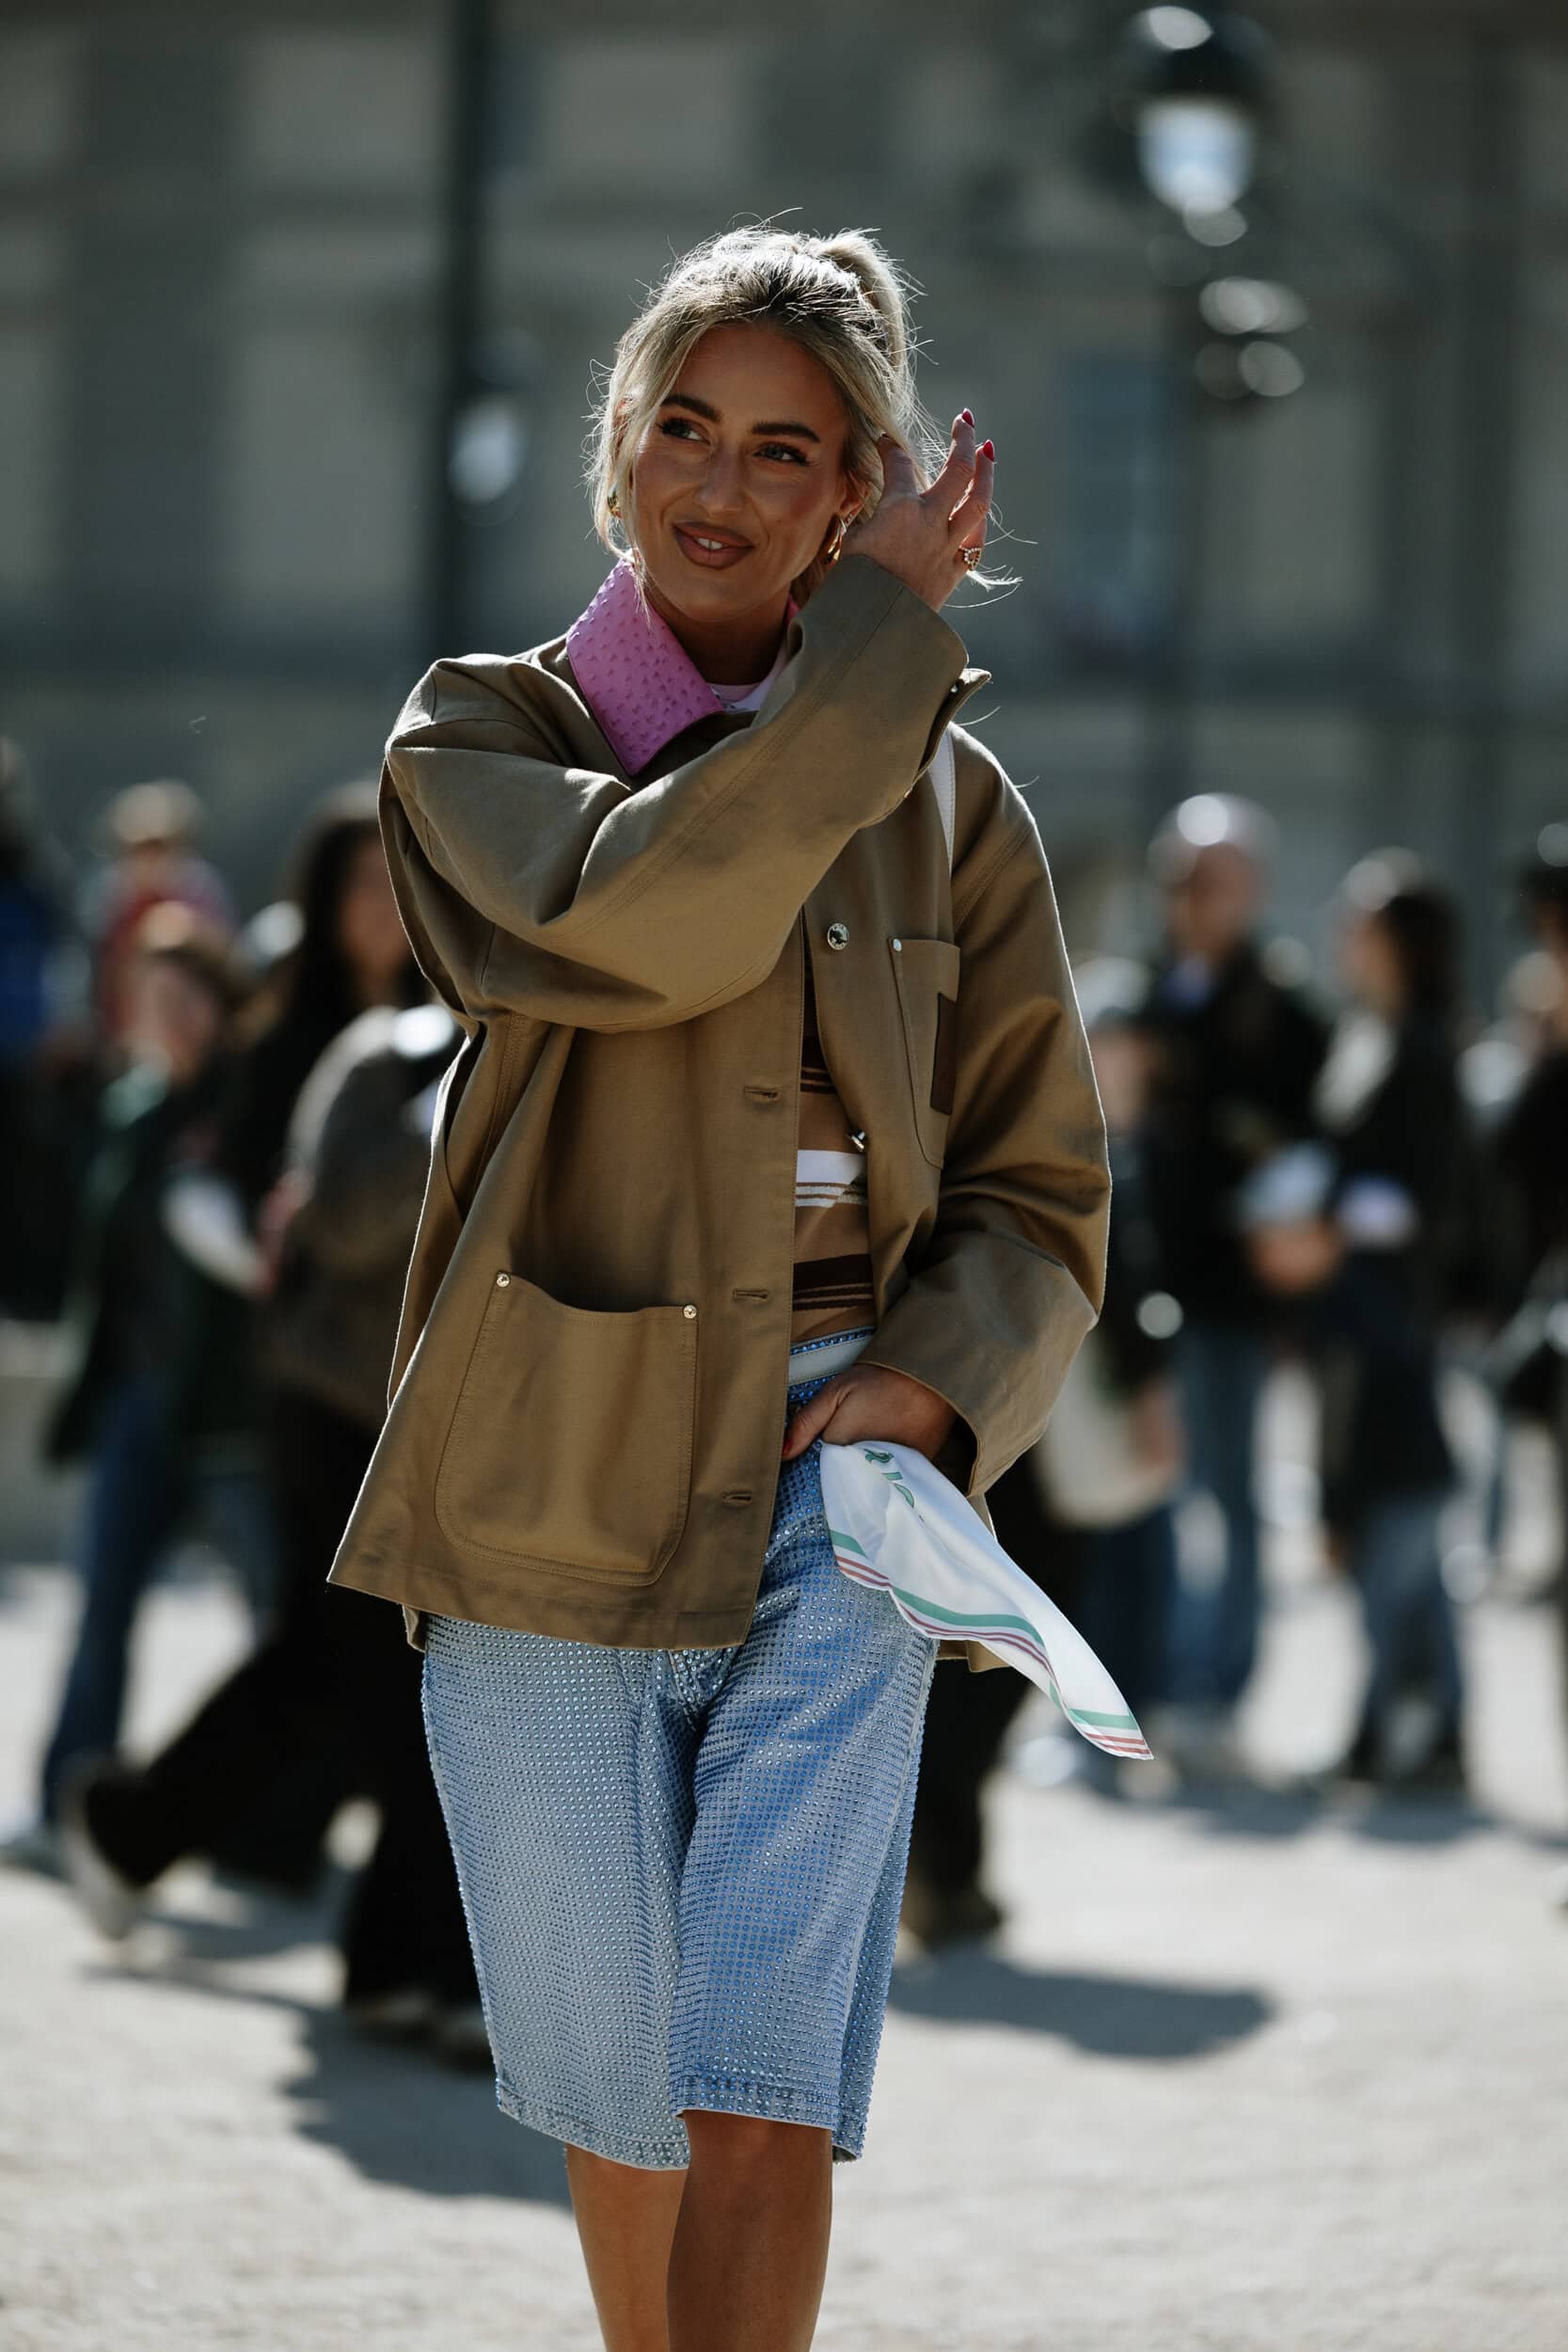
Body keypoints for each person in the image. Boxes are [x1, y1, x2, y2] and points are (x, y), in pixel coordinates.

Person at [313, 226, 1104, 2352]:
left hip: (841, 1493)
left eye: (783, 449)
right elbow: (660, 916)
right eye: (681, 427)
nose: (721, 484)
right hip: (544, 1487)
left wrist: (934, 1394)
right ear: (617, 452)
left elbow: (1041, 1188)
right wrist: (877, 668)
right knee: (623, 2104)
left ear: (857, 500)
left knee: (754, 2089)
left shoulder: (959, 809)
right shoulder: (479, 738)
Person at [64, 997, 483, 2053]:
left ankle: (135, 1830)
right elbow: (346, 1224)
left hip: (466, 1427)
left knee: (333, 1670)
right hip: (340, 1414)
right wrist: (462, 1102)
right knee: (392, 1685)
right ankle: (411, 1967)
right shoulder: (384, 1052)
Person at [0, 905, 260, 1871]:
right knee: (101, 1607)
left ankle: (265, 1820)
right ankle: (64, 1798)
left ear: (222, 1002)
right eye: (154, 997)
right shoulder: (130, 1109)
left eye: (190, 993)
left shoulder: (246, 1106)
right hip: (136, 1401)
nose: (174, 1014)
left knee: (280, 1623)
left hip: (232, 1411)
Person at [1249, 854, 1468, 1788]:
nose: (1343, 938)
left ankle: (1409, 1729)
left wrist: (1329, 1232)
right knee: (1372, 1522)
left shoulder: (1421, 1047)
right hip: (1345, 1324)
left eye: (1361, 924)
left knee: (1401, 1526)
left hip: (1390, 1326)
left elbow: (1437, 1199)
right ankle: (1413, 1728)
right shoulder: (1363, 1037)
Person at [1138, 794, 1327, 1754]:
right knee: (1145, 1492)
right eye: (1183, 878)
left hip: (1230, 1295)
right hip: (1133, 1286)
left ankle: (1221, 1692)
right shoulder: (1140, 988)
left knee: (1228, 1492)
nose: (1196, 898)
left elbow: (1300, 1147)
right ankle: (1152, 1680)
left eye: (1214, 879)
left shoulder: (1281, 1010)